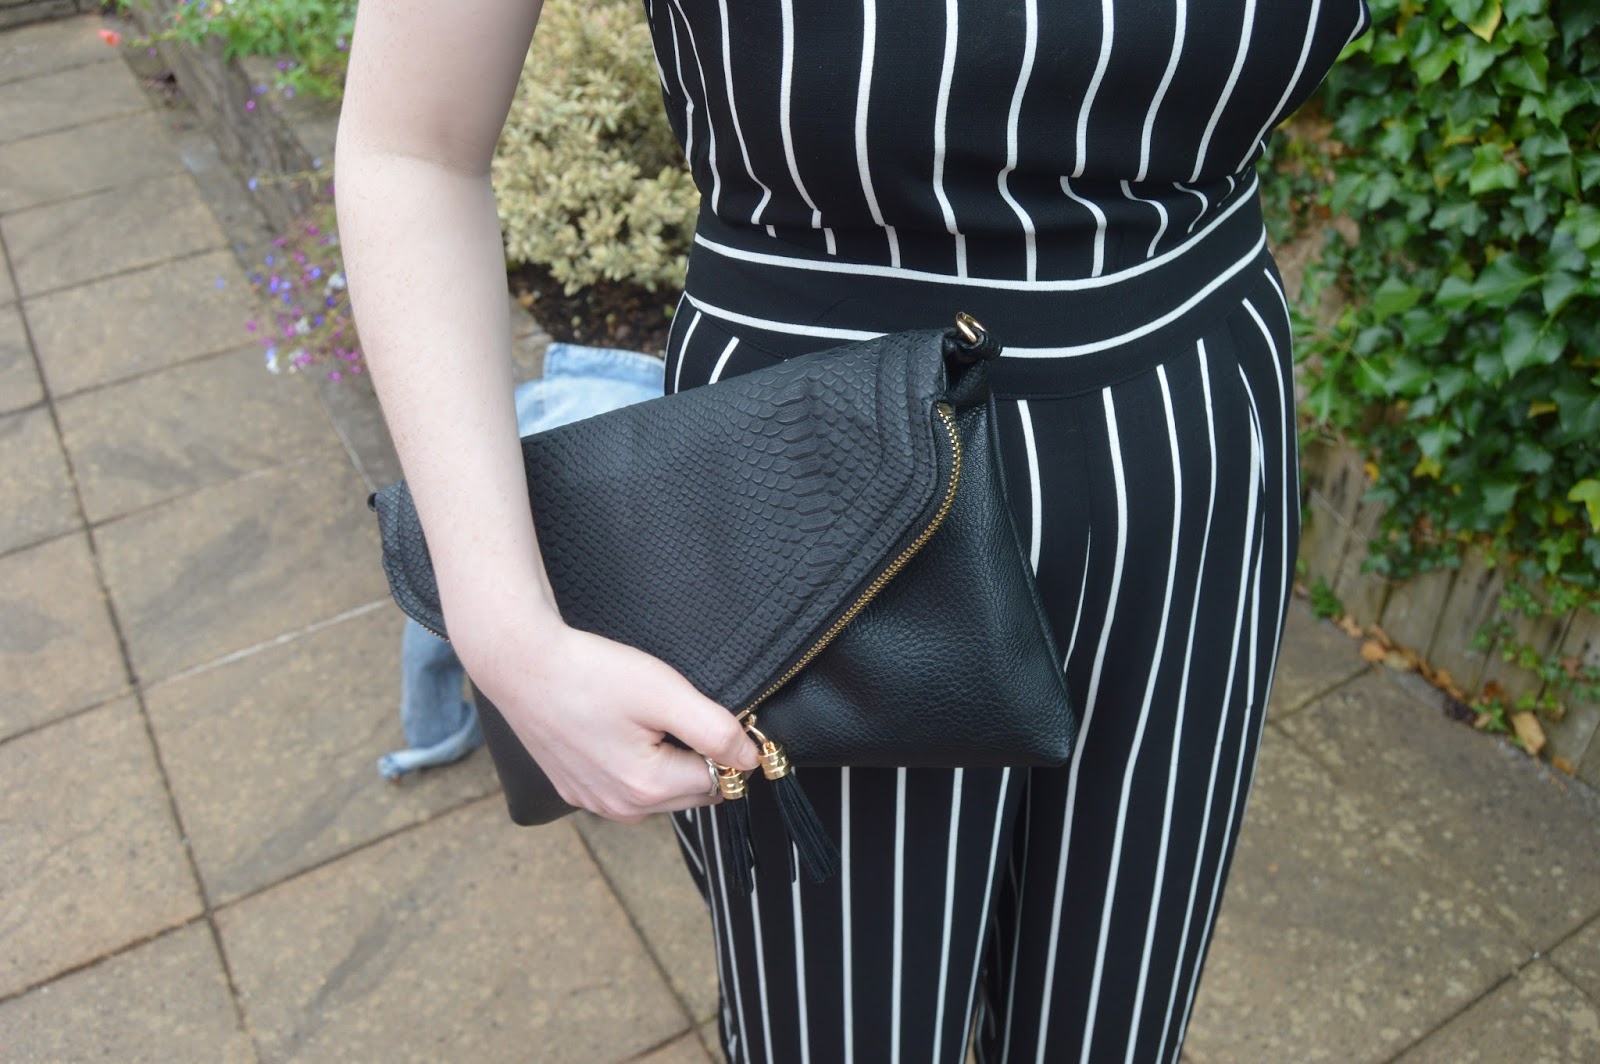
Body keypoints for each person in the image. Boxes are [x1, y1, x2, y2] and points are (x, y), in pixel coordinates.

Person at [335, 2, 1370, 1061]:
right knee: (842, 1027)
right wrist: (507, 634)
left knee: (1116, 1009)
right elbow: (412, 149)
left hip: (1194, 445)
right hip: (817, 494)